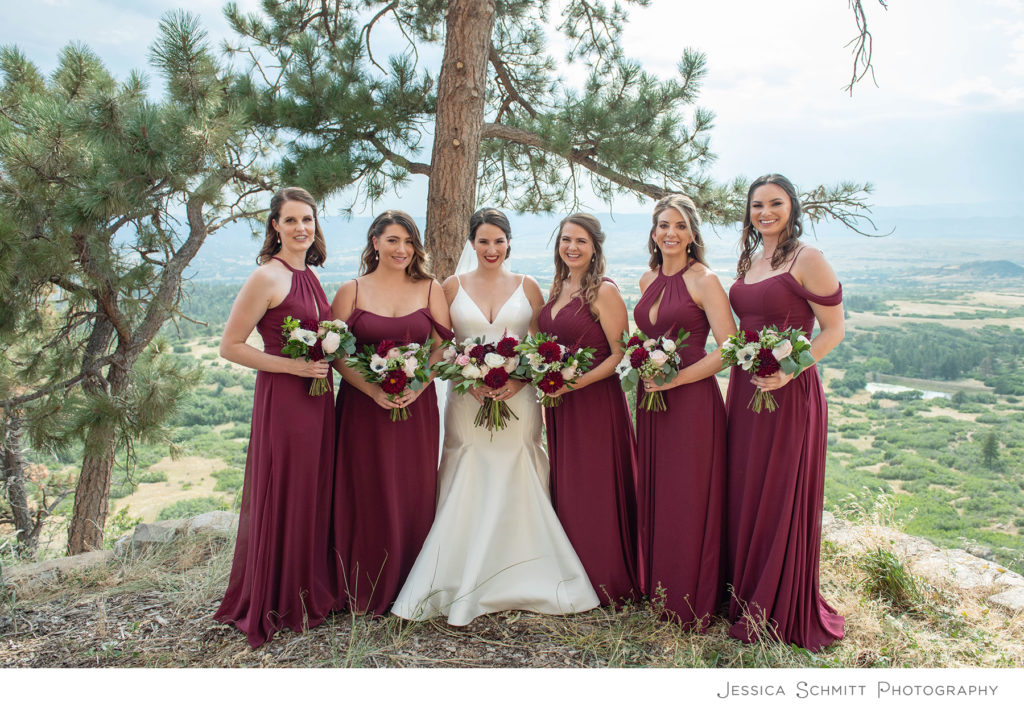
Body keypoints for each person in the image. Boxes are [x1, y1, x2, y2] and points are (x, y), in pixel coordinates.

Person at [392, 208, 599, 624]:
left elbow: (541, 347)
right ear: (472, 243)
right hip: (466, 400)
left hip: (518, 400)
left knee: (517, 465)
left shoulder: (528, 286)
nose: (491, 249)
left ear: (509, 243)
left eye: (499, 241)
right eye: (483, 241)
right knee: (468, 466)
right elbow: (442, 347)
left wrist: (520, 381)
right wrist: (468, 380)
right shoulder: (451, 287)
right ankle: (456, 578)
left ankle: (527, 574)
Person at [726, 174, 846, 651]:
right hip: (746, 389)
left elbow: (833, 330)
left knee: (779, 491)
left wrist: (788, 370)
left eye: (775, 203)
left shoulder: (808, 259)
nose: (766, 212)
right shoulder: (752, 260)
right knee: (747, 486)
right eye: (757, 205)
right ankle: (743, 592)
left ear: (792, 207)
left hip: (789, 391)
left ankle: (777, 603)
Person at [214, 187, 336, 648]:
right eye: (291, 220)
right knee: (286, 486)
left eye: (308, 219)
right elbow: (231, 346)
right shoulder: (266, 276)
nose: (301, 228)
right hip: (286, 399)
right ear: (275, 226)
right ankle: (276, 597)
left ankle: (304, 589)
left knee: (310, 488)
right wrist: (294, 368)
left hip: (317, 397)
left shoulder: (309, 274)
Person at [330, 210, 452, 616]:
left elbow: (442, 347)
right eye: (393, 240)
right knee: (365, 489)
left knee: (413, 489)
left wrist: (417, 387)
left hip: (416, 408)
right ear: (375, 243)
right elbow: (335, 351)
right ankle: (362, 584)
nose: (402, 249)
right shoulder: (351, 290)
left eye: (409, 242)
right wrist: (371, 389)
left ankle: (411, 586)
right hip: (362, 409)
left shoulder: (431, 288)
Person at [633, 194, 734, 629]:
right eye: (663, 225)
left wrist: (677, 380)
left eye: (679, 226)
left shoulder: (704, 280)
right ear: (654, 233)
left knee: (688, 494)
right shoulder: (647, 279)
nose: (670, 233)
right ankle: (659, 587)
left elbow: (729, 348)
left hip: (691, 402)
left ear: (692, 234)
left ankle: (690, 598)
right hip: (652, 399)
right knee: (659, 490)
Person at [537, 213, 639, 605]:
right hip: (561, 403)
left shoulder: (604, 291)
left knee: (596, 485)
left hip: (595, 402)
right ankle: (572, 572)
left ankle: (606, 576)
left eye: (581, 241)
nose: (572, 247)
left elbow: (619, 353)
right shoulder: (558, 285)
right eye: (566, 239)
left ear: (595, 247)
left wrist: (575, 382)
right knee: (570, 485)